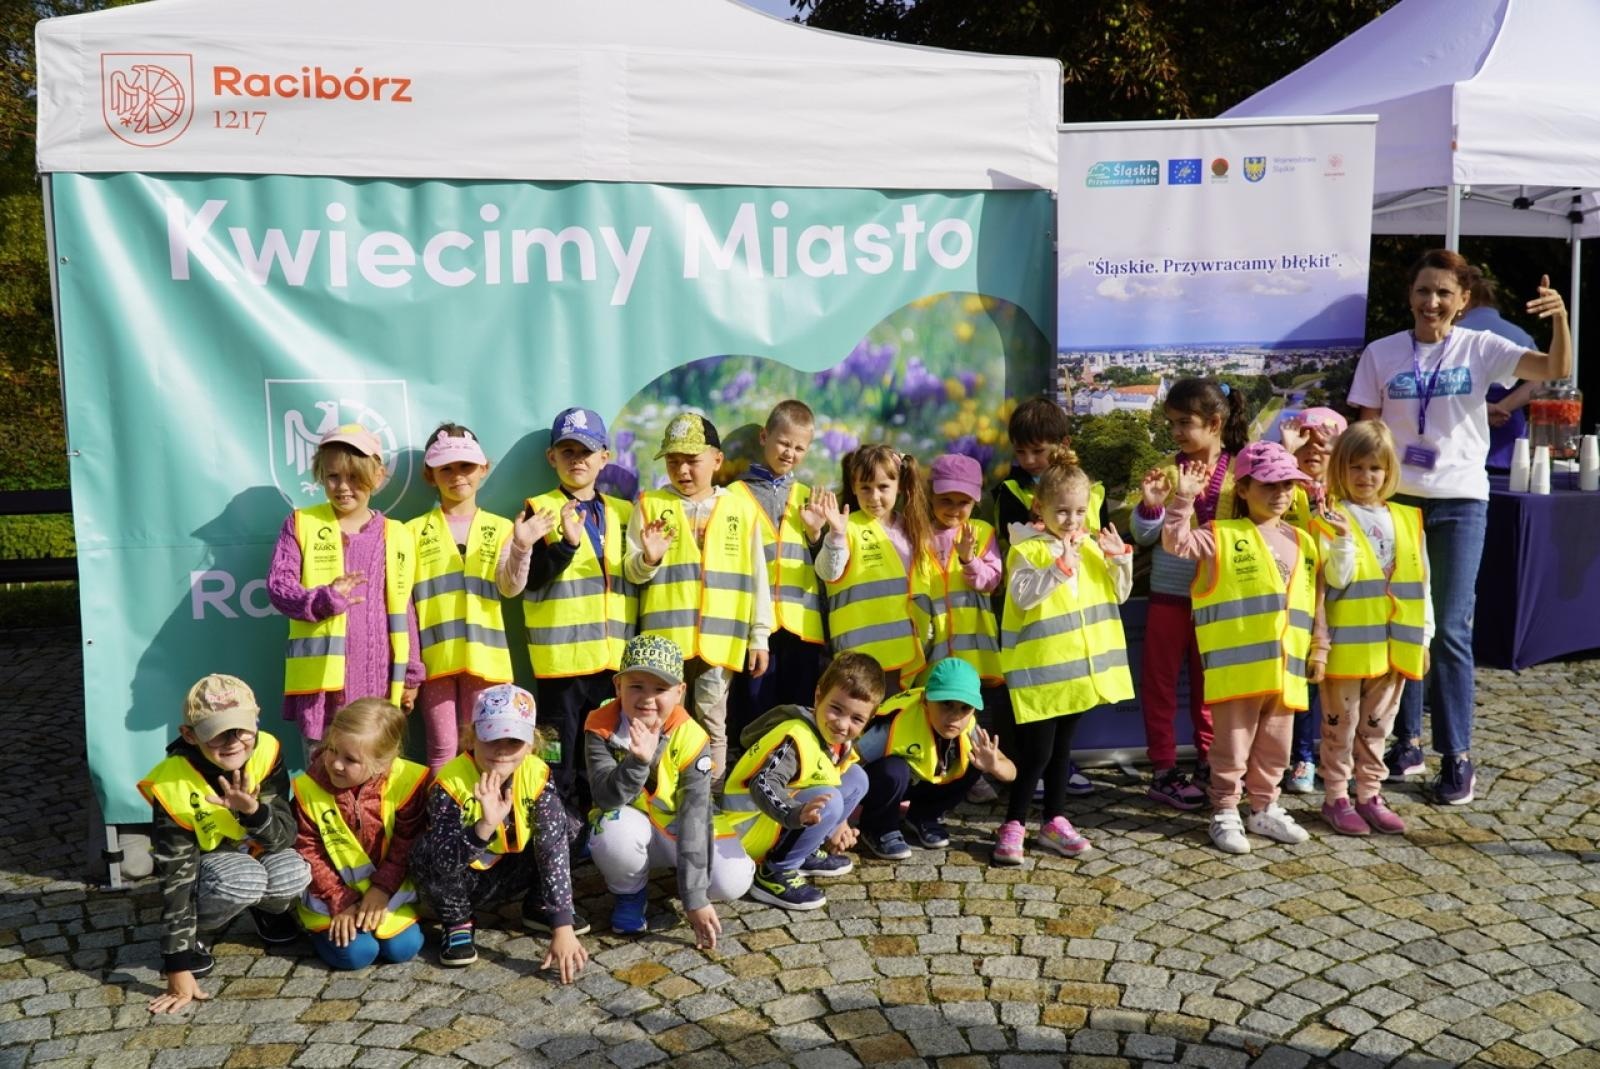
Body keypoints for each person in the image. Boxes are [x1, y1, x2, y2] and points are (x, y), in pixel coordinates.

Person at [1350, 250, 1570, 805]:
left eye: (1444, 293)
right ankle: (1407, 742)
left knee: (1449, 629)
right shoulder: (1381, 353)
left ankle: (1457, 756)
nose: (1432, 302)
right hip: (1396, 505)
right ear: (1410, 295)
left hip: (1459, 503)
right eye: (1424, 291)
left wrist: (1561, 320)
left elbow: (1553, 370)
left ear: (1463, 300)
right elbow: (1367, 433)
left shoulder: (1480, 347)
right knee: (1403, 625)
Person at [1158, 440, 1323, 855]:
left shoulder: (1303, 541)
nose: (1280, 493)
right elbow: (1176, 543)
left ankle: (1264, 807)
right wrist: (1183, 500)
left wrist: (1320, 647)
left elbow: (1315, 599)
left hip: (1285, 672)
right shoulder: (1221, 535)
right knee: (1231, 748)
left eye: (1287, 484)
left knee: (1276, 748)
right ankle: (1226, 809)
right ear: (1244, 489)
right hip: (1237, 673)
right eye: (1269, 484)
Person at [993, 446, 1134, 865]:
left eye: (1079, 511)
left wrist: (1120, 559)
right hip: (1040, 676)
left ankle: (1054, 820)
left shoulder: (1091, 547)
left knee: (1062, 752)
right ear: (1040, 507)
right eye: (1063, 511)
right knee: (1036, 754)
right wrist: (1059, 568)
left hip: (1077, 675)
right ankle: (1013, 824)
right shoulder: (1027, 549)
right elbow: (1022, 596)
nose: (1072, 520)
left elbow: (1119, 595)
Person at [140, 675, 310, 1014]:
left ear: (256, 721)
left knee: (294, 871)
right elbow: (176, 879)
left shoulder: (267, 750)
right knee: (245, 878)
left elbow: (284, 837)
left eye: (242, 729)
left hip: (254, 850)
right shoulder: (172, 781)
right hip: (208, 868)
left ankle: (265, 912)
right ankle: (196, 935)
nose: (233, 742)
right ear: (189, 734)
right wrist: (177, 963)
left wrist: (253, 811)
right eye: (217, 732)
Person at [504, 407, 637, 820]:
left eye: (586, 451)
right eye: (567, 451)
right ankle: (557, 831)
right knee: (557, 761)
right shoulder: (538, 510)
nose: (577, 459)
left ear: (604, 457)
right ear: (552, 458)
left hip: (610, 663)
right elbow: (529, 581)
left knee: (602, 755)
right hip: (560, 666)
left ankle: (600, 829)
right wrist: (566, 546)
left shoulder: (625, 513)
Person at [625, 413, 771, 786]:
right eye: (673, 461)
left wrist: (759, 637)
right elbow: (632, 571)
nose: (682, 470)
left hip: (719, 643)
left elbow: (758, 577)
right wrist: (648, 559)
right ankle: (659, 794)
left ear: (717, 460)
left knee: (711, 721)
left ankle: (708, 794)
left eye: (692, 460)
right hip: (664, 645)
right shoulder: (649, 505)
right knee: (660, 720)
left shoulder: (741, 510)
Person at [408, 685, 589, 978]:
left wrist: (562, 925)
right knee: (424, 853)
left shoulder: (536, 773)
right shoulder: (450, 783)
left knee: (571, 825)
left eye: (513, 741)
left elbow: (553, 846)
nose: (502, 750)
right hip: (467, 883)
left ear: (531, 744)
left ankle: (538, 905)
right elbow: (442, 862)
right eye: (491, 738)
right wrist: (484, 828)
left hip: (514, 869)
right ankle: (457, 922)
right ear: (472, 737)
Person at [585, 635, 754, 942]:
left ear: (680, 692)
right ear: (618, 686)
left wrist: (694, 898)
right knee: (611, 834)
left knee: (732, 882)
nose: (647, 698)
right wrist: (638, 761)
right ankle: (630, 894)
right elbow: (605, 797)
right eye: (636, 686)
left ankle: (685, 877)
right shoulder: (600, 725)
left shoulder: (693, 737)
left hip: (679, 825)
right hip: (632, 825)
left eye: (660, 689)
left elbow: (694, 816)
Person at [1131, 378, 1248, 810]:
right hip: (1169, 593)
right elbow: (1144, 536)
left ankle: (1208, 763)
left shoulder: (1240, 470)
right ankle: (1163, 768)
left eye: (1185, 423)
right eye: (1172, 423)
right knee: (1160, 685)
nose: (1176, 432)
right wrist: (1149, 507)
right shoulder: (1166, 470)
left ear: (1214, 423)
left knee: (1210, 688)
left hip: (1219, 598)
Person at [266, 423, 423, 744]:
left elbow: (403, 606)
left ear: (377, 476)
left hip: (379, 685)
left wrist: (411, 674)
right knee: (323, 767)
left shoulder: (397, 534)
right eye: (333, 476)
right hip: (323, 692)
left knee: (374, 767)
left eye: (354, 477)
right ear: (320, 475)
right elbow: (279, 586)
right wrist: (323, 600)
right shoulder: (301, 523)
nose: (343, 487)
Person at [1317, 422, 1432, 836]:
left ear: (1388, 471)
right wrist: (1343, 539)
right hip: (1347, 649)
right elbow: (1337, 577)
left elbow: (1422, 583)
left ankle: (1369, 794)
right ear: (1340, 468)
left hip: (1394, 646)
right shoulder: (1330, 516)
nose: (1365, 476)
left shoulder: (1406, 519)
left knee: (1378, 727)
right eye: (1356, 467)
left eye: (1374, 468)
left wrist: (1425, 637)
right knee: (1340, 728)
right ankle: (1336, 797)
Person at [721, 652, 883, 911]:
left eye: (856, 719)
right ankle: (775, 872)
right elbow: (763, 783)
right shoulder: (796, 736)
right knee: (830, 800)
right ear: (818, 696)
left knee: (857, 778)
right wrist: (795, 813)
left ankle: (804, 851)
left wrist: (839, 826)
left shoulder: (837, 741)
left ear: (868, 720)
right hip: (747, 826)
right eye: (836, 709)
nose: (842, 725)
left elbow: (832, 776)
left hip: (778, 819)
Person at [407, 424, 523, 771]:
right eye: (446, 468)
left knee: (482, 745)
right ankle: (444, 808)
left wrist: (522, 545)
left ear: (483, 468)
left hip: (486, 661)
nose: (457, 475)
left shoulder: (502, 528)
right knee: (442, 747)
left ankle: (483, 806)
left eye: (466, 466)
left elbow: (511, 586)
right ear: (430, 475)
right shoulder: (410, 532)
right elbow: (404, 604)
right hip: (435, 661)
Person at [292, 698, 428, 969]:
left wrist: (381, 890)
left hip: (386, 892)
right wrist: (341, 901)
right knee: (358, 954)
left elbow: (406, 843)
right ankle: (315, 932)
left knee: (403, 948)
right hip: (331, 895)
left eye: (350, 759)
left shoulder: (406, 782)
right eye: (332, 750)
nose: (335, 764)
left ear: (382, 763)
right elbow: (308, 850)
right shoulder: (308, 788)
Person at [727, 400, 827, 751]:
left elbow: (826, 565)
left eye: (799, 448)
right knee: (754, 710)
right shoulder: (734, 496)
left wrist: (816, 534)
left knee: (799, 713)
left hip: (801, 627)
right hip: (757, 625)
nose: (790, 453)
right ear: (764, 437)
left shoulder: (810, 498)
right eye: (784, 443)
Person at [856, 658, 1017, 860]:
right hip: (882, 786)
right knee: (894, 770)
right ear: (925, 700)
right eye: (946, 704)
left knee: (974, 761)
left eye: (965, 708)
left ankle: (923, 816)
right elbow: (849, 763)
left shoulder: (970, 729)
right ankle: (877, 827)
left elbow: (1011, 772)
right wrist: (840, 819)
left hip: (921, 784)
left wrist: (993, 766)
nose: (955, 716)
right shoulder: (896, 723)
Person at [813, 444, 933, 695]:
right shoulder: (847, 527)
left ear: (900, 485)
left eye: (883, 487)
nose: (874, 497)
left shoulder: (914, 528)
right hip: (859, 660)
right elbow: (828, 572)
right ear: (854, 487)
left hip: (907, 653)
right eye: (865, 488)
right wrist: (836, 535)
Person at [1277, 407, 1348, 796]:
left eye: (1323, 444)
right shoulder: (1285, 488)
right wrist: (1288, 455)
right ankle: (1302, 756)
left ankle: (1340, 757)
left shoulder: (1346, 491)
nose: (1313, 450)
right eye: (1305, 442)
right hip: (1298, 601)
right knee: (1304, 681)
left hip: (1342, 601)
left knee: (1340, 687)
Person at [1457, 268, 1538, 470]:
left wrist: (1484, 409)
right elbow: (1540, 380)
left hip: (1461, 425)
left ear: (1464, 299)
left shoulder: (1453, 333)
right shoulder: (1519, 334)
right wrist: (1504, 406)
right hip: (1508, 427)